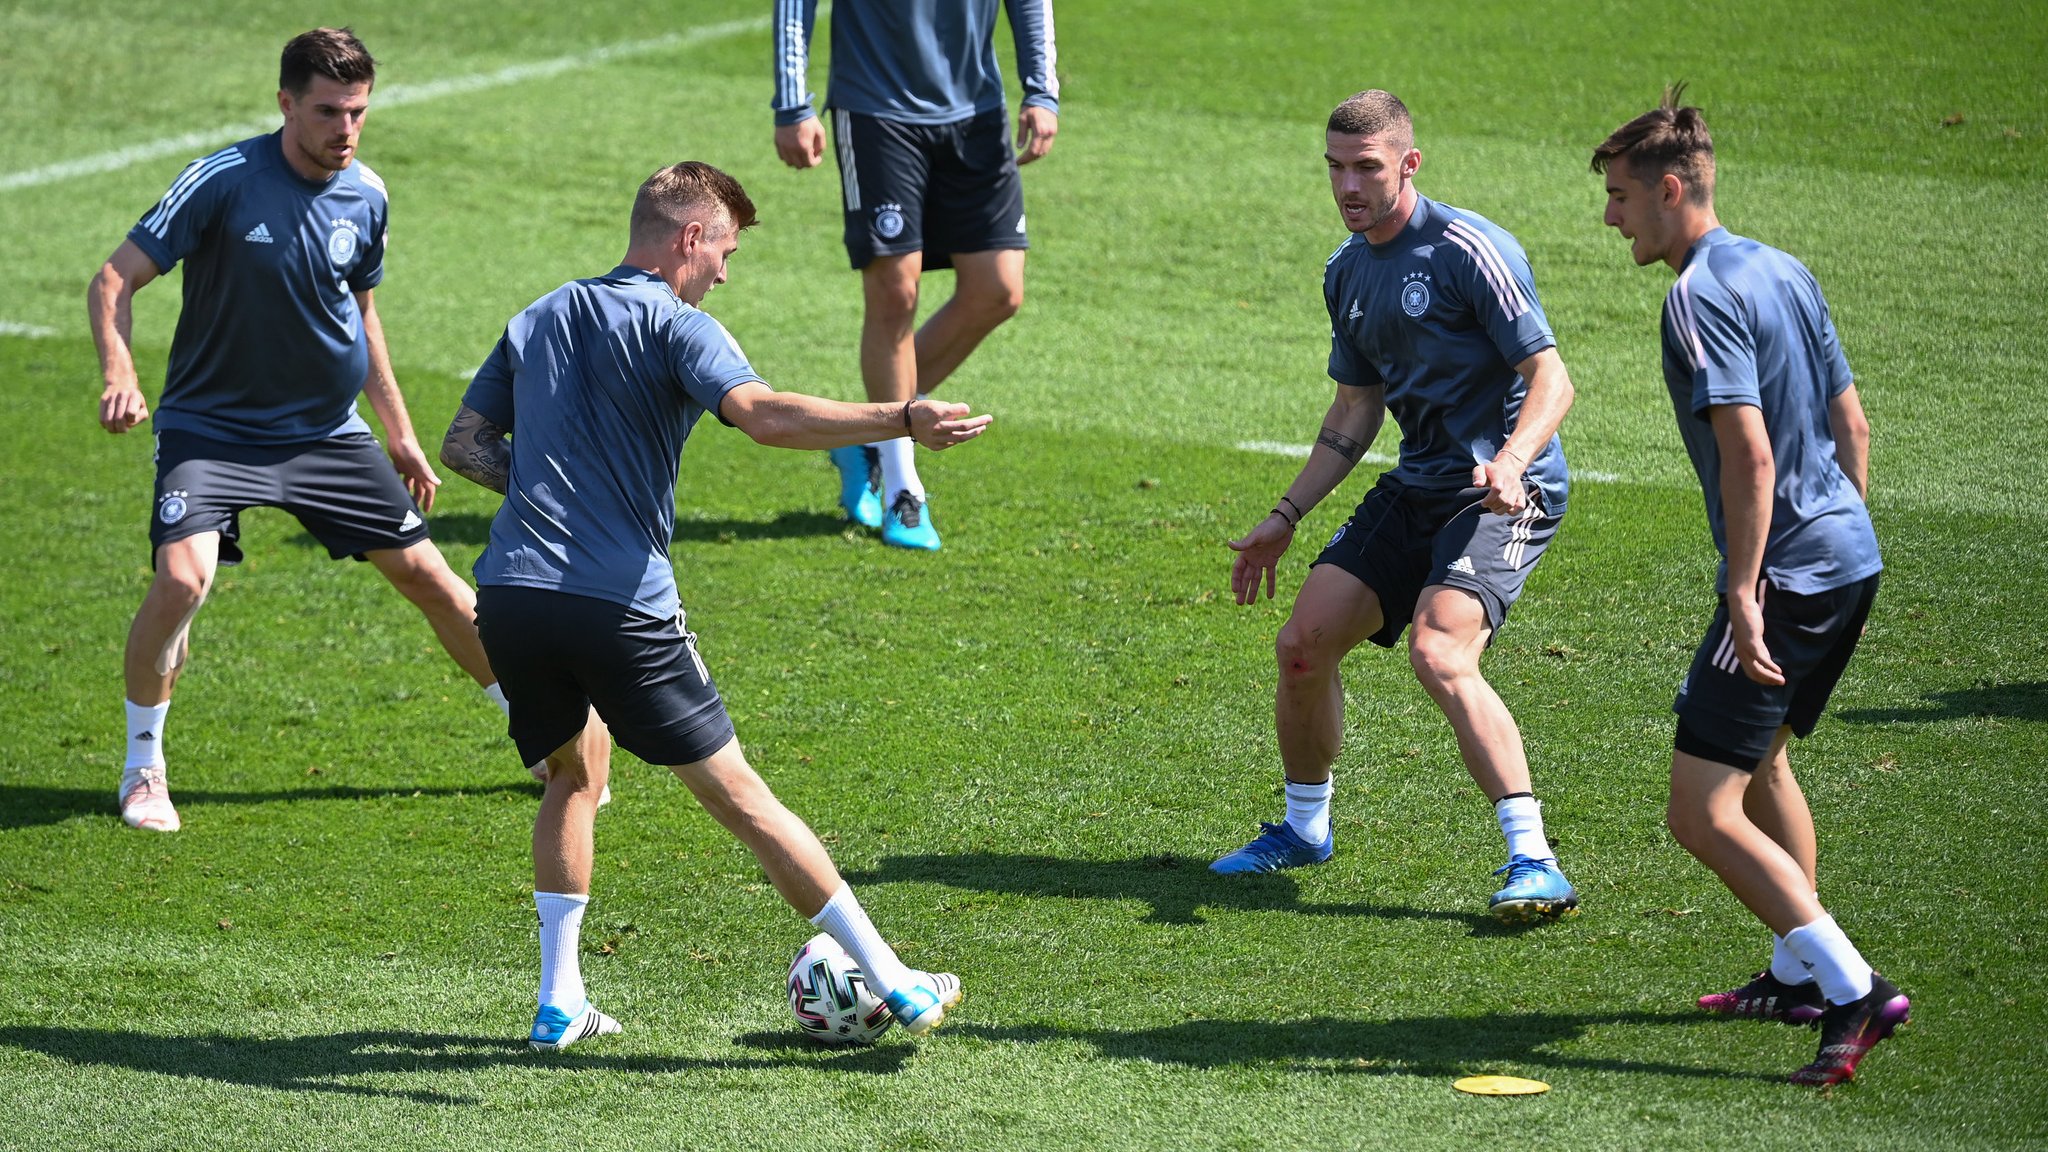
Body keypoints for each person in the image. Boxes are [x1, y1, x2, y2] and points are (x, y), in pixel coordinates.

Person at [440, 161, 990, 1050]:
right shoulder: (675, 323)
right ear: (690, 238)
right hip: (617, 602)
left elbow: (465, 445)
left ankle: (558, 1000)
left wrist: (547, 493)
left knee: (575, 776)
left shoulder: (537, 314)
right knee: (744, 801)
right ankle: (895, 980)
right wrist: (901, 418)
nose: (726, 271)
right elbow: (766, 417)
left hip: (508, 596)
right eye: (725, 249)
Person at [85, 28, 579, 832]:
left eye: (357, 112)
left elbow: (363, 316)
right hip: (213, 432)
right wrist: (119, 372)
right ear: (286, 104)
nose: (344, 129)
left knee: (431, 578)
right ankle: (144, 769)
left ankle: (540, 734)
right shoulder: (222, 181)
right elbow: (114, 278)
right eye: (327, 112)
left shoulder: (367, 194)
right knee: (182, 582)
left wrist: (400, 431)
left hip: (324, 434)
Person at [1592, 87, 1908, 1085]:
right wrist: (1836, 533)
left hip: (1780, 574)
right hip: (1843, 555)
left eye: (1618, 198)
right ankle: (1796, 972)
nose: (1610, 219)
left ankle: (1851, 988)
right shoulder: (1782, 267)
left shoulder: (1695, 297)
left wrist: (1745, 587)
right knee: (1762, 762)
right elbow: (1849, 424)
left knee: (1698, 810)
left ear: (1670, 189)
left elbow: (1750, 454)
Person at [1217, 90, 1581, 923]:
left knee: (1439, 651)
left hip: (1504, 491)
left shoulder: (1468, 249)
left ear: (1408, 164)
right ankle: (1305, 831)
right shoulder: (1346, 272)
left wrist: (1515, 462)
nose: (1347, 185)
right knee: (1303, 645)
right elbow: (1354, 410)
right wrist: (1286, 515)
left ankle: (1535, 860)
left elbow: (1551, 378)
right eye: (1336, 169)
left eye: (1366, 168)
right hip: (1419, 484)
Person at [771, 0, 1059, 550]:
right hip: (876, 109)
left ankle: (864, 429)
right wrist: (792, 103)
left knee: (998, 290)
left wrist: (1040, 90)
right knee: (895, 294)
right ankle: (904, 490)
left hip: (975, 113)